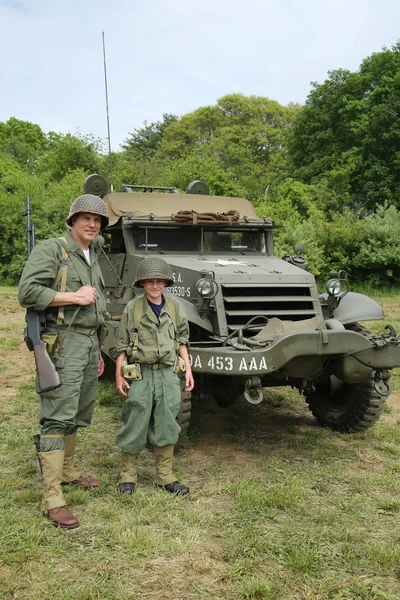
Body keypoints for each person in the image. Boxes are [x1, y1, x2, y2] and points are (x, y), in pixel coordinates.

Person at [18, 194, 109, 529]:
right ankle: (53, 496)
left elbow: (95, 309)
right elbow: (26, 292)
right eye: (85, 218)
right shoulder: (52, 249)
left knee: (78, 410)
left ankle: (68, 471)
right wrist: (73, 296)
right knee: (57, 415)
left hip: (87, 344)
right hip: (63, 344)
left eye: (97, 220)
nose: (92, 224)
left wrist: (97, 350)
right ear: (72, 221)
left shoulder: (91, 253)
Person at [111, 256, 194, 496]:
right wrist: (119, 375)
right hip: (141, 375)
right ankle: (128, 475)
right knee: (135, 421)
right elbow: (121, 346)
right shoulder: (133, 308)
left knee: (168, 422)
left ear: (166, 283)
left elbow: (182, 340)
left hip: (168, 374)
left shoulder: (175, 307)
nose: (155, 286)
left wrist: (188, 370)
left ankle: (165, 476)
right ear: (142, 283)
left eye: (159, 281)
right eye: (150, 281)